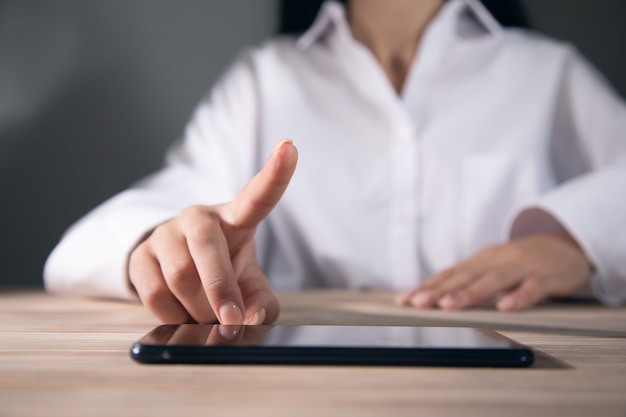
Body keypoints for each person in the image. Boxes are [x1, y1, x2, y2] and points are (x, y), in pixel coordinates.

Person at [44, 0, 626, 325]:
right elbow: (137, 219)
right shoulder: (266, 78)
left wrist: (578, 243)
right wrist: (162, 241)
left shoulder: (547, 71)